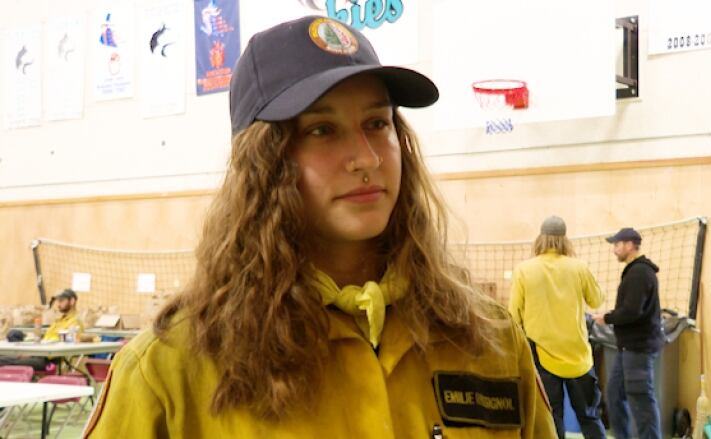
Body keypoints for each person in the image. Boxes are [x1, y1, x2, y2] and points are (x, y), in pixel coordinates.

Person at [85, 16, 556, 438]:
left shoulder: (488, 337)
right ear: (265, 162)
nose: (367, 158)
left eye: (377, 123)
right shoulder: (171, 367)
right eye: (321, 130)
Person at [509, 216, 606, 439]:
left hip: (542, 358)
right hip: (579, 357)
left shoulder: (524, 270)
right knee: (589, 416)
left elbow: (513, 315)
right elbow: (597, 300)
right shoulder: (579, 268)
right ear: (565, 240)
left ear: (540, 239)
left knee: (552, 419)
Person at [593, 227, 663, 439]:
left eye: (617, 244)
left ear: (630, 245)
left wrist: (607, 318)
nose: (614, 249)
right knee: (614, 395)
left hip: (638, 348)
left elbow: (632, 310)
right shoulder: (635, 271)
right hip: (628, 348)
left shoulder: (640, 273)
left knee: (641, 400)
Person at [0, 288, 84, 370]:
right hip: (38, 354)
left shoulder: (75, 322)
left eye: (61, 301)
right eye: (58, 301)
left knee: (5, 362)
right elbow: (46, 339)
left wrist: (34, 353)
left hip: (49, 360)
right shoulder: (58, 321)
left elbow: (68, 343)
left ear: (72, 301)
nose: (58, 304)